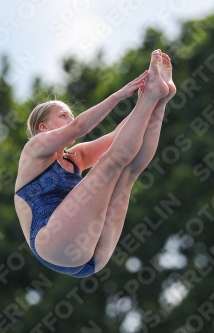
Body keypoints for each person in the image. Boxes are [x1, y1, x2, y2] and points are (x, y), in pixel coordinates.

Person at [14, 49, 177, 278]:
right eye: (63, 115)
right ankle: (154, 94)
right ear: (43, 127)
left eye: (71, 115)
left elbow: (118, 138)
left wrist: (149, 103)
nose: (71, 118)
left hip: (92, 258)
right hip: (52, 244)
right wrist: (119, 95)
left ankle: (161, 97)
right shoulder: (35, 150)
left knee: (128, 171)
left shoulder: (74, 156)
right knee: (109, 165)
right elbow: (79, 127)